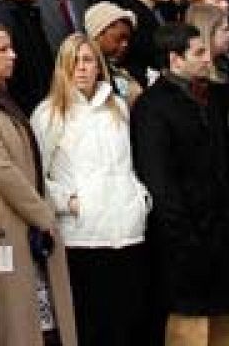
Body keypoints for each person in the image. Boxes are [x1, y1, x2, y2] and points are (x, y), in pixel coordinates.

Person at [0, 20, 77, 346]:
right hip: (2, 226)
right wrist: (43, 213)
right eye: (3, 50)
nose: (13, 56)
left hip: (25, 223)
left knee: (44, 324)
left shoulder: (2, 98)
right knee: (14, 326)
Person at [131, 21, 229, 346]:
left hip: (224, 234)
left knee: (228, 329)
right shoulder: (151, 107)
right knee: (191, 329)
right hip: (183, 241)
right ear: (175, 59)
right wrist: (184, 238)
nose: (207, 58)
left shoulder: (215, 98)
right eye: (198, 53)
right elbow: (160, 181)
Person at [30, 32, 149, 346]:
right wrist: (70, 203)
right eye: (74, 62)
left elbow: (130, 164)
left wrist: (139, 199)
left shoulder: (119, 109)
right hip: (83, 236)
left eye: (87, 60)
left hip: (127, 230)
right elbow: (38, 176)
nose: (81, 68)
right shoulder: (48, 115)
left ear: (99, 65)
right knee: (91, 325)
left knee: (128, 322)